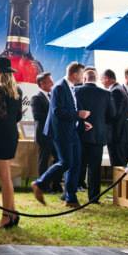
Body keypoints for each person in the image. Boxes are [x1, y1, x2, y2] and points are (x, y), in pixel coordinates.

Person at [33, 62, 86, 209]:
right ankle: (40, 183)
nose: (83, 77)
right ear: (74, 74)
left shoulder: (71, 87)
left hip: (72, 131)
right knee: (66, 162)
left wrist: (81, 120)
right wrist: (77, 114)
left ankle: (71, 198)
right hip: (61, 132)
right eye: (81, 74)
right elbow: (57, 111)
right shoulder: (60, 87)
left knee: (76, 163)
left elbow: (73, 108)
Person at [0, 58, 23, 228]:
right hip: (12, 133)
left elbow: (1, 115)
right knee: (6, 176)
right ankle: (13, 213)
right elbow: (17, 117)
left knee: (5, 178)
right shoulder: (17, 90)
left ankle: (6, 216)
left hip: (2, 134)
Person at [75, 68, 116, 204]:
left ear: (85, 79)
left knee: (77, 164)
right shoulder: (106, 93)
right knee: (95, 168)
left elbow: (73, 110)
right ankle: (94, 197)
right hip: (97, 135)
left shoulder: (76, 90)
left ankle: (71, 193)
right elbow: (112, 114)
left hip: (79, 133)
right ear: (96, 79)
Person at [31, 72, 62, 193]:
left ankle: (56, 184)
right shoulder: (36, 98)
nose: (52, 83)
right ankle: (43, 185)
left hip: (56, 134)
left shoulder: (53, 96)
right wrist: (55, 116)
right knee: (44, 160)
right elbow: (37, 116)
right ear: (42, 83)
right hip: (44, 134)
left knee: (60, 159)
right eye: (49, 81)